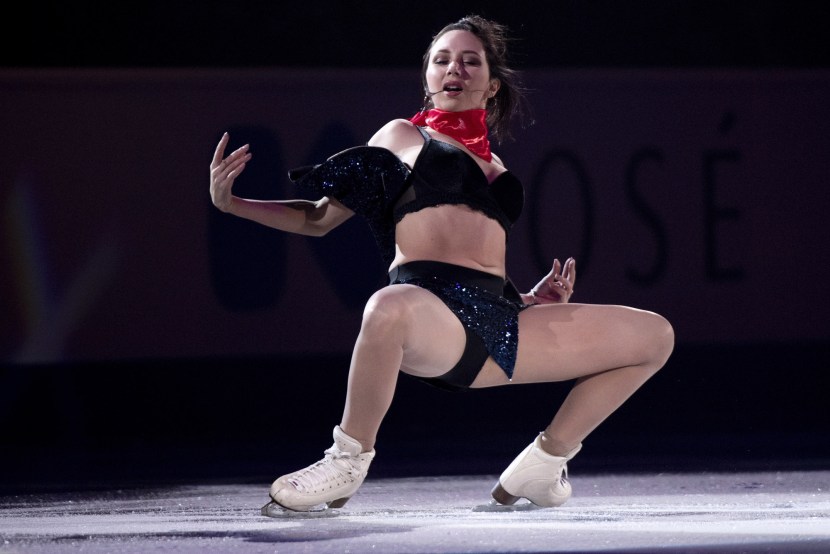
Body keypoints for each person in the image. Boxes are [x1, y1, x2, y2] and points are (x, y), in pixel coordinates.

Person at [209, 15, 674, 513]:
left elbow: (478, 260)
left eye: (470, 61)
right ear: (428, 77)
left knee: (654, 336)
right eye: (443, 60)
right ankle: (347, 460)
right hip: (432, 319)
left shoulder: (497, 167)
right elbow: (318, 218)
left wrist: (528, 298)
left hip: (501, 324)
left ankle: (544, 462)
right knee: (386, 306)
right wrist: (234, 204)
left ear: (491, 85)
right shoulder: (402, 137)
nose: (455, 68)